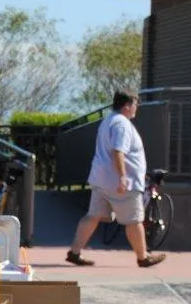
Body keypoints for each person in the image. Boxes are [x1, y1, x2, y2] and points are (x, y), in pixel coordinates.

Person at [66, 91, 165, 268]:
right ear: (127, 105)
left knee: (92, 216)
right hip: (119, 183)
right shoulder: (122, 125)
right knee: (134, 220)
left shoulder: (107, 121)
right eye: (135, 104)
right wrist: (123, 177)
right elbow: (118, 151)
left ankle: (74, 252)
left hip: (101, 180)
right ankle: (143, 258)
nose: (136, 108)